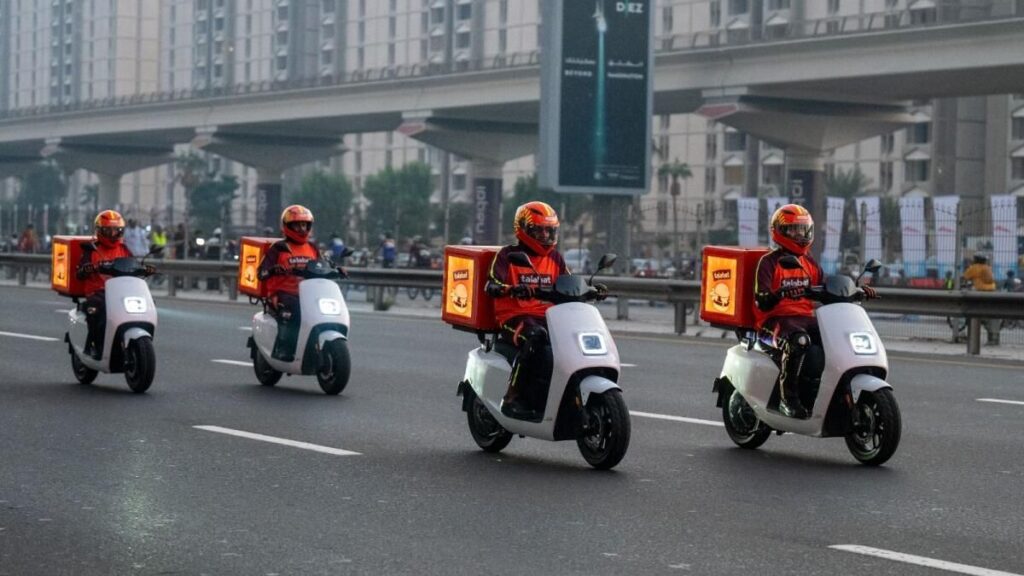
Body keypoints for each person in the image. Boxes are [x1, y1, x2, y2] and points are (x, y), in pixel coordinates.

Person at [753, 204, 877, 419]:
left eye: (803, 230)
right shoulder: (769, 262)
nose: (800, 235)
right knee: (799, 341)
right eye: (794, 230)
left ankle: (832, 395)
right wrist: (780, 293)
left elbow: (826, 288)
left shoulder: (808, 262)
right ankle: (787, 400)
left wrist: (856, 291)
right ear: (780, 231)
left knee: (838, 338)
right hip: (774, 321)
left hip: (805, 319)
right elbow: (761, 300)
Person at [484, 201, 604, 420]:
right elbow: (491, 285)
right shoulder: (507, 256)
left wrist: (591, 290)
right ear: (523, 229)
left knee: (576, 338)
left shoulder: (555, 258)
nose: (545, 236)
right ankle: (512, 397)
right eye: (539, 230)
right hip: (514, 317)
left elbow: (569, 284)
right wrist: (512, 289)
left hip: (550, 317)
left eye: (549, 231)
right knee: (536, 337)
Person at [75, 210, 149, 359]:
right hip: (98, 291)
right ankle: (93, 345)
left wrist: (143, 269)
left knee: (146, 303)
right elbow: (80, 272)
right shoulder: (92, 249)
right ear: (100, 231)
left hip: (122, 291)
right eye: (108, 230)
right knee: (97, 311)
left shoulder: (124, 249)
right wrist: (86, 269)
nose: (113, 234)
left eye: (117, 230)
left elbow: (133, 264)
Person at [257, 205, 321, 362]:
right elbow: (261, 273)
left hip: (308, 294)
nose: (302, 229)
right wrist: (273, 270)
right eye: (297, 225)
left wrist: (337, 269)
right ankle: (284, 348)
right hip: (283, 294)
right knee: (295, 311)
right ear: (288, 226)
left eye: (304, 225)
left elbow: (323, 264)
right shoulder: (279, 248)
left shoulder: (312, 248)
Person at [962, 253, 1000, 345]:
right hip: (992, 292)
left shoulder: (974, 268)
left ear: (975, 260)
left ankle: (972, 337)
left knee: (975, 313)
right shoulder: (988, 268)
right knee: (991, 315)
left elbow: (965, 277)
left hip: (981, 293)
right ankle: (993, 338)